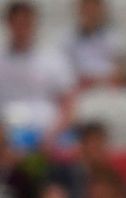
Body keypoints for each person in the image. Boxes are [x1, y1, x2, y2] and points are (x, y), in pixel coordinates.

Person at [0, 1, 75, 151]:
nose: (21, 28)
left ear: (34, 24)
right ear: (8, 24)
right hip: (7, 131)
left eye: (26, 23)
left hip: (48, 130)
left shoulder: (53, 59)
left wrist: (53, 133)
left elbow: (68, 103)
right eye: (17, 22)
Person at [66, 0, 126, 88]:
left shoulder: (116, 37)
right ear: (79, 11)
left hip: (109, 88)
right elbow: (64, 72)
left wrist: (100, 81)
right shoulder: (68, 39)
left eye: (94, 9)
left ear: (102, 11)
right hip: (79, 88)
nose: (91, 13)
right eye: (87, 9)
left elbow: (122, 72)